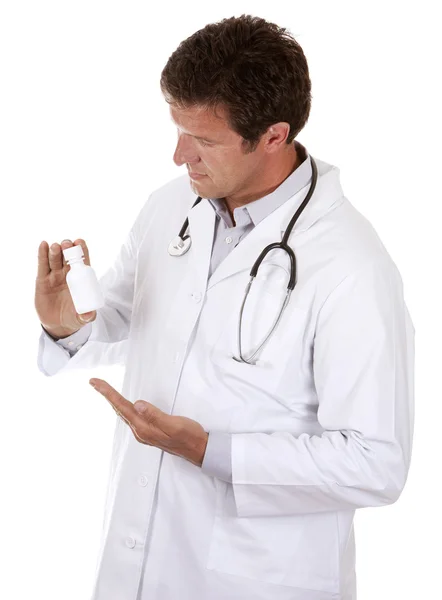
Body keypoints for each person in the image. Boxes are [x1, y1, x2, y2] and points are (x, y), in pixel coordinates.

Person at [34, 14, 415, 600]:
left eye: (203, 140)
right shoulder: (173, 206)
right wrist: (69, 325)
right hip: (136, 562)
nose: (178, 155)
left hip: (261, 579)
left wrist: (207, 450)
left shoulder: (352, 268)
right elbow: (132, 321)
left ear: (272, 136)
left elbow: (375, 463)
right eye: (178, 129)